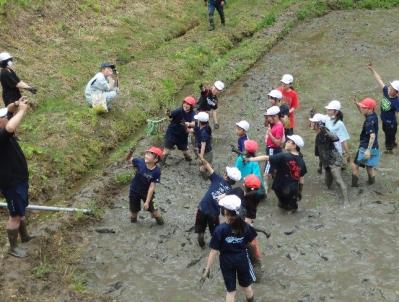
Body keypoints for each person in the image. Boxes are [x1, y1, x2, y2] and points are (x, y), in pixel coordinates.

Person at [201, 195, 256, 302]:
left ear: (225, 212)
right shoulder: (246, 226)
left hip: (226, 262)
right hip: (242, 259)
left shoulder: (220, 230)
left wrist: (207, 269)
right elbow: (251, 243)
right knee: (247, 287)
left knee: (231, 291)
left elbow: (214, 251)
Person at [0, 97, 34, 258]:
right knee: (14, 216)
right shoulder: (2, 135)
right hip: (10, 183)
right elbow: (10, 126)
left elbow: (8, 110)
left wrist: (15, 104)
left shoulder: (4, 131)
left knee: (21, 210)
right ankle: (13, 248)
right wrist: (22, 111)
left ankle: (25, 236)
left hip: (19, 179)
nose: (7, 117)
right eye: (4, 117)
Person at [247, 135, 307, 212]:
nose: (286, 143)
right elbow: (301, 178)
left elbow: (266, 157)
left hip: (279, 187)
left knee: (282, 203)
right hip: (292, 190)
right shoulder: (301, 161)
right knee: (292, 208)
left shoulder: (283, 156)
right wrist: (300, 191)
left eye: (289, 142)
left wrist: (250, 159)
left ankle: (283, 205)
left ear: (294, 145)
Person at [195, 156, 241, 248]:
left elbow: (208, 166)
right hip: (214, 213)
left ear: (226, 175)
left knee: (200, 230)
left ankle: (201, 241)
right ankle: (215, 245)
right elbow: (226, 208)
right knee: (215, 231)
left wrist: (201, 158)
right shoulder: (230, 192)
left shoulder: (217, 178)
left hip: (202, 207)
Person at [309, 113, 349, 206]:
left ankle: (346, 201)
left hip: (334, 160)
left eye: (313, 122)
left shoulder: (325, 132)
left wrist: (328, 132)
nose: (310, 124)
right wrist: (320, 167)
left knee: (339, 180)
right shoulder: (318, 136)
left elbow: (336, 138)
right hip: (326, 162)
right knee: (328, 184)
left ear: (318, 124)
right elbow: (319, 153)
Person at [125, 146, 164, 225]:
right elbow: (127, 159)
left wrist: (147, 202)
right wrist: (130, 152)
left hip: (147, 193)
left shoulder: (156, 171)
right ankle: (134, 225)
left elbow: (152, 187)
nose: (146, 155)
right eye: (147, 153)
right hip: (134, 191)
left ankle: (161, 223)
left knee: (155, 213)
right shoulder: (140, 162)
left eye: (149, 155)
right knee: (133, 213)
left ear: (156, 160)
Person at [367, 63, 399, 154]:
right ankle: (393, 141)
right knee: (386, 133)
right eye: (390, 86)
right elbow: (379, 79)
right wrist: (372, 70)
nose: (389, 87)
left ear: (396, 92)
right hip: (384, 121)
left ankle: (389, 149)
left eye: (392, 88)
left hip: (391, 124)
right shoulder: (386, 91)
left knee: (388, 138)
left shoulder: (397, 102)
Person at [351, 98, 380, 187]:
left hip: (365, 148)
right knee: (369, 166)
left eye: (364, 108)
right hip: (375, 147)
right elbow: (363, 111)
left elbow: (372, 136)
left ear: (370, 109)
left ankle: (354, 185)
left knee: (356, 166)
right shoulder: (373, 115)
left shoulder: (368, 122)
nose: (362, 109)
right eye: (362, 107)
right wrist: (357, 104)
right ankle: (371, 182)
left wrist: (367, 150)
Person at [162, 96, 197, 164]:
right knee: (166, 151)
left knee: (186, 153)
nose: (185, 105)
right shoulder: (179, 110)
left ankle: (189, 161)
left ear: (191, 106)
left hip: (183, 135)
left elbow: (194, 123)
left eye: (188, 104)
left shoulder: (193, 113)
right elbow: (170, 115)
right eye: (185, 103)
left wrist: (188, 124)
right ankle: (161, 164)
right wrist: (168, 113)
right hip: (172, 133)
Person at [263, 106, 285, 190]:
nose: (268, 119)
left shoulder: (279, 126)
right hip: (272, 149)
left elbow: (277, 143)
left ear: (275, 116)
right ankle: (278, 182)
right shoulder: (274, 123)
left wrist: (269, 134)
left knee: (266, 171)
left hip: (272, 149)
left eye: (269, 117)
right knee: (276, 167)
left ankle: (265, 188)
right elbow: (265, 124)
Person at [192, 111, 213, 179]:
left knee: (202, 169)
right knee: (201, 164)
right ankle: (209, 166)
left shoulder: (204, 132)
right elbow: (191, 130)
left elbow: (203, 146)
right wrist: (186, 126)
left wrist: (201, 156)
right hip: (204, 150)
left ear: (199, 121)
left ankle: (208, 177)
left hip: (207, 153)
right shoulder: (201, 127)